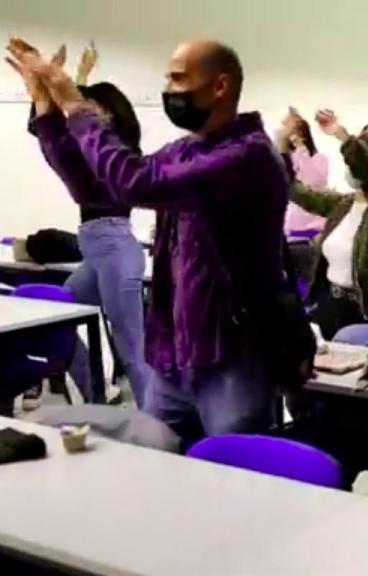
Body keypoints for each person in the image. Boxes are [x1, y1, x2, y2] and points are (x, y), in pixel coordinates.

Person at [7, 38, 290, 441]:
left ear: (220, 86)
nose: (168, 90)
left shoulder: (247, 155)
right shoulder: (184, 150)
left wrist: (75, 103)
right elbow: (96, 187)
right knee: (158, 472)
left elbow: (138, 182)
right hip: (174, 358)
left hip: (229, 357)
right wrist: (46, 110)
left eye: (178, 78)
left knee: (228, 485)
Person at [13, 42, 153, 407]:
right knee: (54, 318)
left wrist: (51, 90)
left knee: (131, 347)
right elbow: (55, 139)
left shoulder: (115, 155)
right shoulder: (94, 149)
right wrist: (49, 88)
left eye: (89, 107)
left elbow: (59, 145)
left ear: (109, 115)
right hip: (97, 254)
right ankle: (95, 396)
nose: (78, 112)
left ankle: (160, 429)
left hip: (116, 250)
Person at [287, 111, 368, 340]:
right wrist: (277, 153)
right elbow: (301, 193)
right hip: (329, 303)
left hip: (361, 309)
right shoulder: (345, 203)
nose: (349, 167)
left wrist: (342, 136)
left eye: (353, 162)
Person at [279, 107, 330, 237]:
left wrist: (301, 150)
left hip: (314, 227)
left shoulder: (319, 159)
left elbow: (312, 182)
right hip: (290, 229)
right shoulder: (285, 159)